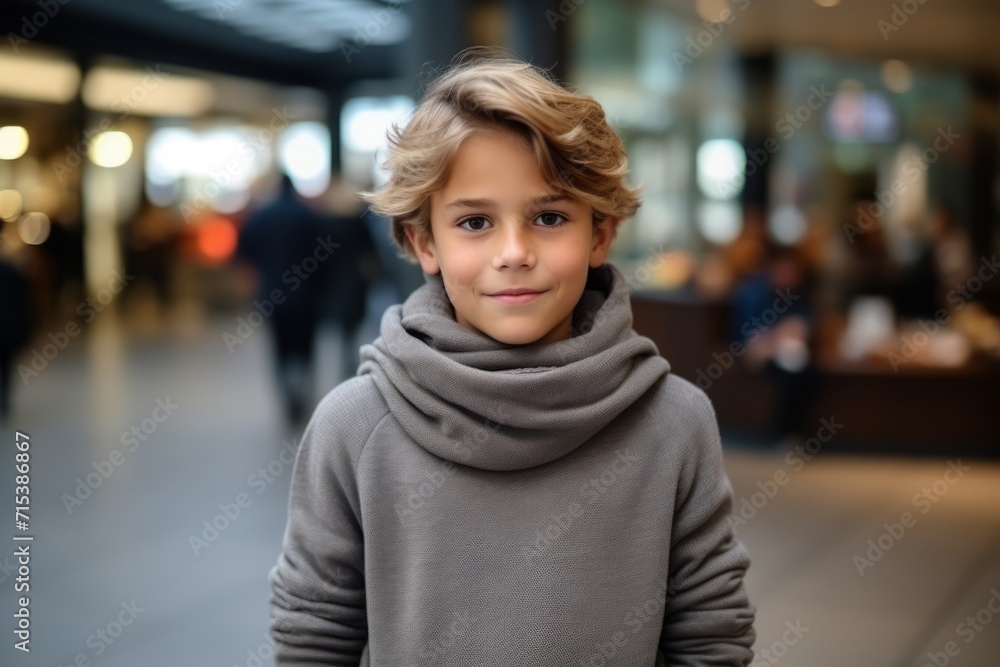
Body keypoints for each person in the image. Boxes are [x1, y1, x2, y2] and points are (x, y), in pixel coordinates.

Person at [268, 49, 756, 666]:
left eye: (549, 217)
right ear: (424, 242)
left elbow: (711, 635)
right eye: (474, 223)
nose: (514, 252)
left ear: (599, 234)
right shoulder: (355, 426)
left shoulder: (675, 424)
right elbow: (313, 636)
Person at [236, 173, 331, 424]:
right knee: (306, 349)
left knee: (280, 350)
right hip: (307, 298)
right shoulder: (308, 216)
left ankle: (288, 397)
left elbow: (245, 255)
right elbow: (326, 257)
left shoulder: (262, 216)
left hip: (273, 296)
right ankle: (303, 395)